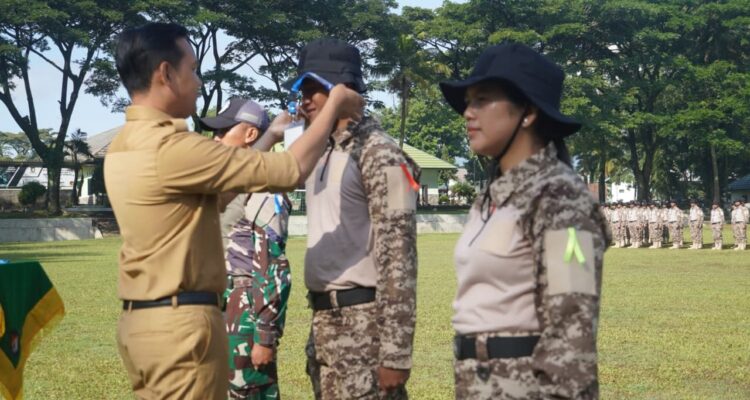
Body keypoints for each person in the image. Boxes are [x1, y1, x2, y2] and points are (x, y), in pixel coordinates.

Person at [106, 23, 364, 399]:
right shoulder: (173, 148)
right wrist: (335, 103)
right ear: (165, 73)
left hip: (144, 324)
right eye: (193, 69)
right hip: (180, 329)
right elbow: (290, 170)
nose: (198, 82)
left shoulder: (124, 145)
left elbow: (220, 195)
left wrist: (270, 135)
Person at [440, 43, 610, 399]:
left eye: (482, 100)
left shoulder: (560, 197)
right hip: (479, 383)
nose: (468, 113)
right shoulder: (492, 196)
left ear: (528, 112)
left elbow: (572, 330)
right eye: (468, 102)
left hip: (525, 387)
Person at [286, 38, 419, 399]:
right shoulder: (320, 152)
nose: (305, 100)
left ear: (343, 89)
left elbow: (400, 256)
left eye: (314, 90)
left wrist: (395, 352)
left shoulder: (382, 154)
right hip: (324, 322)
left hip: (365, 327)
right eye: (302, 91)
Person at [199, 98, 293, 399]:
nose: (216, 139)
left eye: (223, 131)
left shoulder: (265, 187)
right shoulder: (226, 185)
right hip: (217, 305)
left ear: (251, 135)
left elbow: (273, 265)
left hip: (244, 312)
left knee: (248, 391)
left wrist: (264, 336)